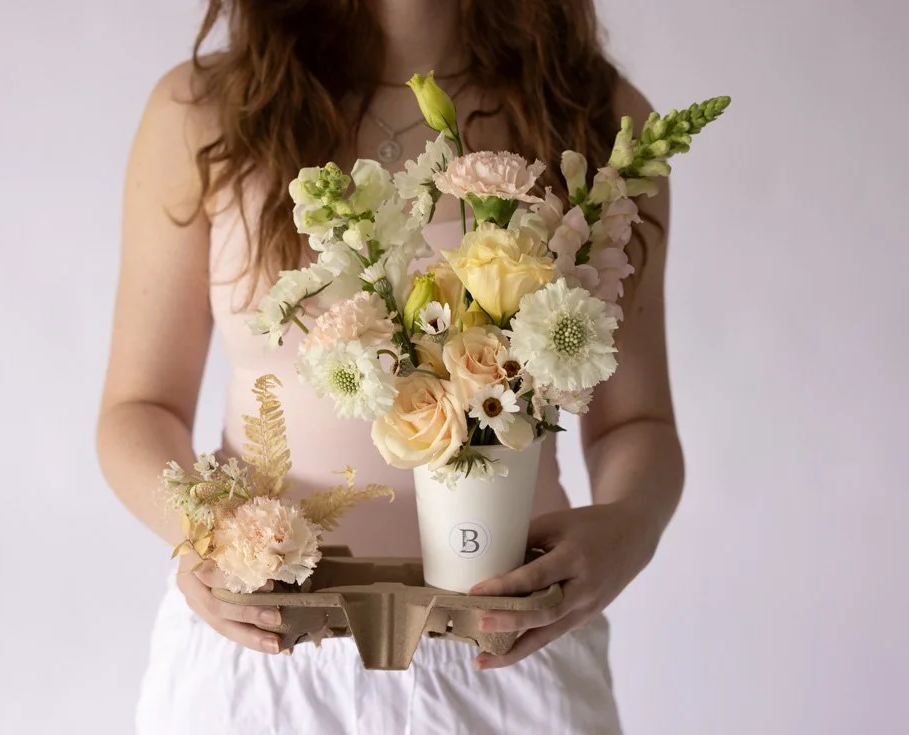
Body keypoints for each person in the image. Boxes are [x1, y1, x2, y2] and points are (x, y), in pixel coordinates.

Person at [96, 0, 684, 732]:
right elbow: (138, 408)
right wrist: (202, 531)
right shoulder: (202, 112)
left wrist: (627, 527)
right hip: (261, 659)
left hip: (507, 651)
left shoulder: (598, 121)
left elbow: (637, 420)